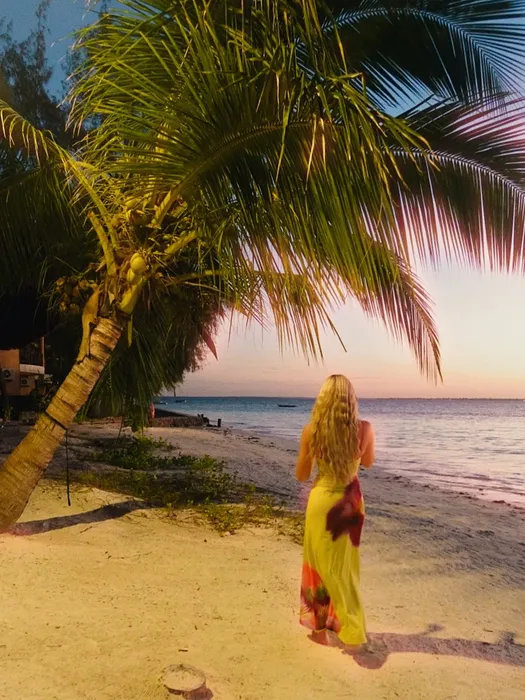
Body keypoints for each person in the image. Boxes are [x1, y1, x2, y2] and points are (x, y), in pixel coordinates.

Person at [296, 374, 375, 652]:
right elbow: (368, 463)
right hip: (350, 502)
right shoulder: (365, 428)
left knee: (317, 565)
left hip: (321, 501)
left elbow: (302, 475)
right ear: (350, 400)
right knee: (345, 568)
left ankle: (320, 631)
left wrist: (313, 452)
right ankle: (350, 628)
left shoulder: (312, 431)